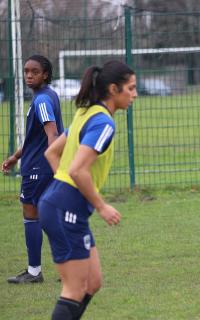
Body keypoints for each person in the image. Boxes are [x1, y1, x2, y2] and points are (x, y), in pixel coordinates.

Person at [37, 60, 137, 319]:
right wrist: (101, 206)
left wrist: (65, 190)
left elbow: (52, 153)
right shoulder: (104, 123)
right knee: (74, 288)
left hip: (61, 204)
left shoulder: (87, 113)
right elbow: (78, 170)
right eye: (131, 88)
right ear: (114, 89)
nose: (135, 94)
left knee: (92, 283)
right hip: (64, 208)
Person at [2, 55, 64, 284]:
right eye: (26, 71)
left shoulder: (42, 101)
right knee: (47, 216)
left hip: (39, 168)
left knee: (32, 215)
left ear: (45, 74)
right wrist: (16, 156)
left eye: (34, 71)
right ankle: (72, 263)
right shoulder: (47, 96)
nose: (29, 75)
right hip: (39, 165)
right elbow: (34, 137)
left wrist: (55, 166)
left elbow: (52, 134)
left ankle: (35, 272)